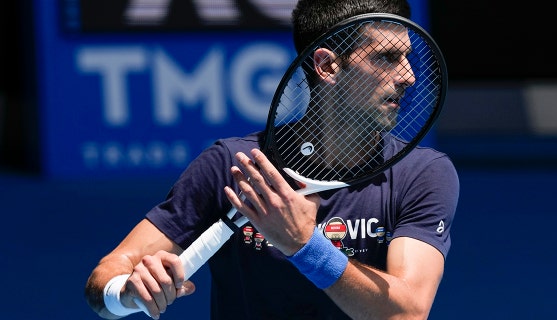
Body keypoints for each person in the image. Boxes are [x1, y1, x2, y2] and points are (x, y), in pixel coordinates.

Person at [84, 0, 459, 319]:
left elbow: (407, 312)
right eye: (386, 58)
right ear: (328, 66)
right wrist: (128, 293)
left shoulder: (421, 174)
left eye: (407, 57)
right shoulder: (232, 166)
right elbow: (103, 281)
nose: (408, 76)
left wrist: (304, 245)